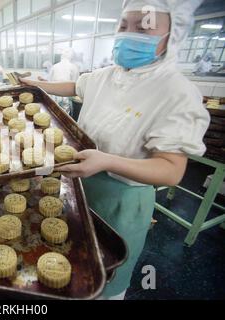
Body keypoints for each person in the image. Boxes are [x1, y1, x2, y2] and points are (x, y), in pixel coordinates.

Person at [21, 0, 209, 299]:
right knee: (66, 263)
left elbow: (172, 171)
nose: (129, 35)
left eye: (144, 27)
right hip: (79, 184)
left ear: (172, 35)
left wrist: (107, 161)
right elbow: (76, 87)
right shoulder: (109, 74)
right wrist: (33, 84)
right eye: (124, 26)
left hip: (121, 201)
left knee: (102, 280)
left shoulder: (177, 93)